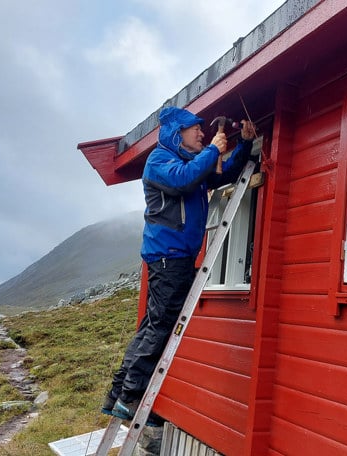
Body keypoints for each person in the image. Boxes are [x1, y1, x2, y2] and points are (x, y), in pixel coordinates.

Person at [102, 106, 256, 426]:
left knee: (152, 325)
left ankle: (119, 395)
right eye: (194, 129)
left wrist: (243, 144)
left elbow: (221, 175)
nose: (201, 133)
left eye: (202, 129)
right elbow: (184, 181)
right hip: (169, 255)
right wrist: (214, 148)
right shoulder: (160, 161)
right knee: (161, 325)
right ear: (176, 134)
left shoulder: (186, 162)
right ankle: (131, 397)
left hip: (174, 255)